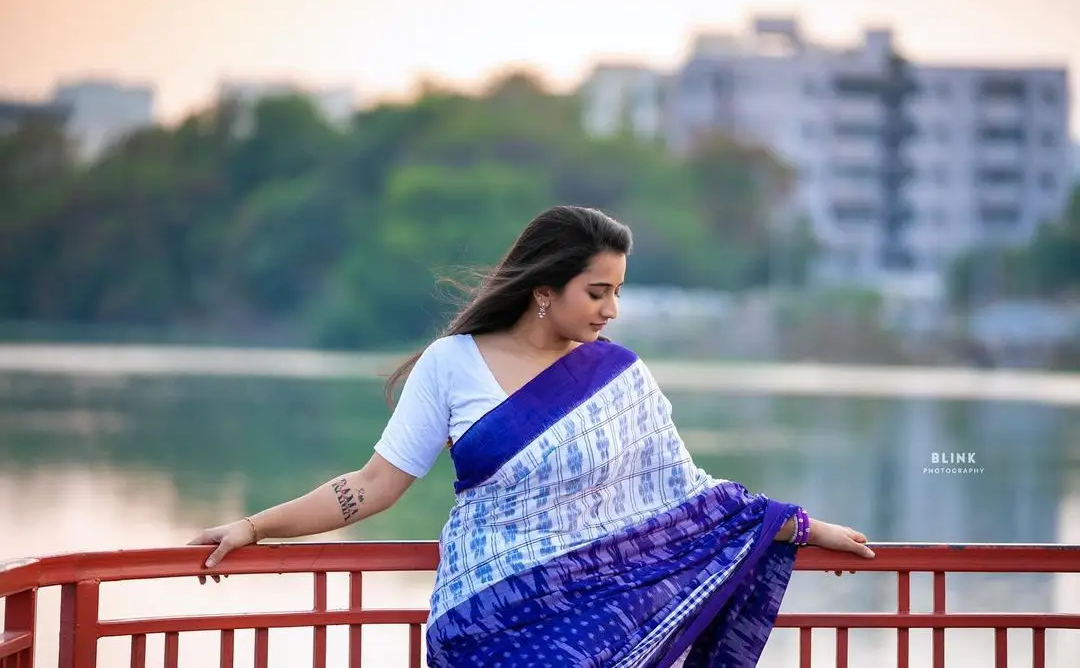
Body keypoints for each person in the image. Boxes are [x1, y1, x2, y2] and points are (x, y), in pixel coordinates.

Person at [189, 205, 875, 667]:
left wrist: (799, 526)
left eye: (617, 293)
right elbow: (372, 487)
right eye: (596, 292)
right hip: (485, 621)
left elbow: (684, 495)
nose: (611, 310)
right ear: (545, 290)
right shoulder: (452, 364)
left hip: (587, 624)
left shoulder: (619, 378)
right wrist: (255, 526)